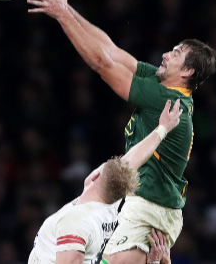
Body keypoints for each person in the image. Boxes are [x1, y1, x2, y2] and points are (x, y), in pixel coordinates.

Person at [27, 0, 216, 264]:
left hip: (152, 208)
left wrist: (61, 16)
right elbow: (113, 51)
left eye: (176, 53)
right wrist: (68, 10)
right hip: (145, 204)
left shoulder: (167, 98)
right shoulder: (161, 84)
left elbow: (102, 64)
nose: (166, 54)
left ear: (188, 72)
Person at [28, 100, 181, 264]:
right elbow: (132, 160)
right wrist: (163, 128)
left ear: (94, 177)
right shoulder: (113, 205)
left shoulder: (75, 223)